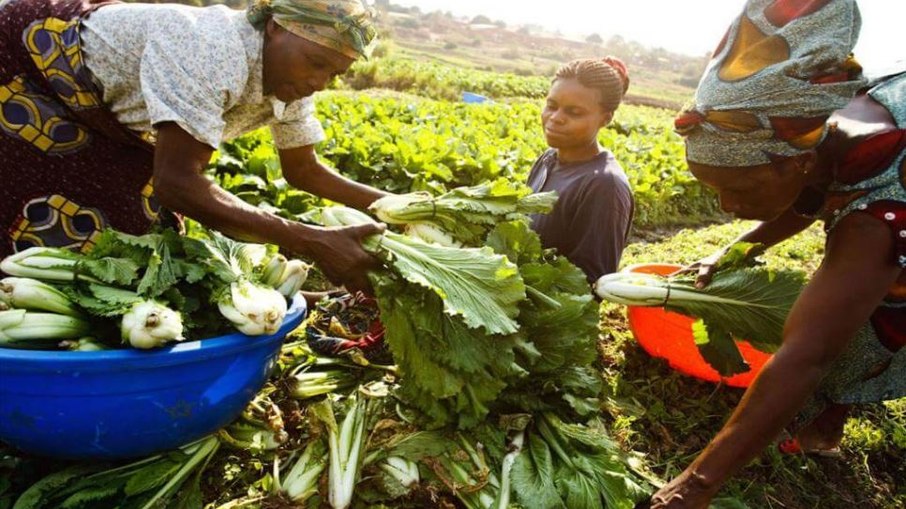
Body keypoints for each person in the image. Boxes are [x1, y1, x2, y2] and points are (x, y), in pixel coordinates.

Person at [647, 1, 905, 507]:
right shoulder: (811, 134)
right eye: (716, 191)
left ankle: (825, 428)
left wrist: (693, 486)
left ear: (798, 165)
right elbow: (809, 194)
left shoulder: (876, 212)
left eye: (739, 191)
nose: (728, 207)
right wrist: (731, 250)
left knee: (876, 313)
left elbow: (807, 355)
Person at [0, 0, 388, 293]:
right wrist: (311, 240)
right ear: (274, 27)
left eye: (334, 73)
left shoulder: (294, 81)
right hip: (29, 67)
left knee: (132, 240)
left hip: (107, 117)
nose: (320, 82)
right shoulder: (211, 49)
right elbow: (177, 184)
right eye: (315, 62)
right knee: (43, 230)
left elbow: (303, 169)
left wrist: (397, 212)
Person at [526, 57, 635, 283]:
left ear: (605, 119)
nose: (555, 118)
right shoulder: (547, 160)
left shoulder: (605, 185)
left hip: (543, 315)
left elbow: (590, 283)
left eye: (574, 112)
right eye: (551, 106)